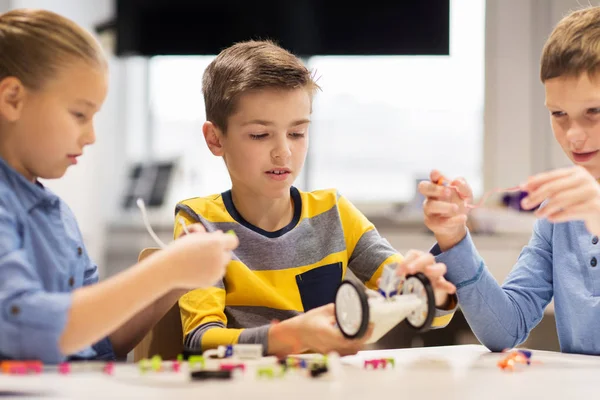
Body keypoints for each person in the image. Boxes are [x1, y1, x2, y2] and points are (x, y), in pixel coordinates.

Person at [175, 40, 457, 358]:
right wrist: (290, 336)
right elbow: (200, 340)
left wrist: (429, 293)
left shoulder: (333, 213)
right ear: (215, 139)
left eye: (297, 133)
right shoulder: (198, 222)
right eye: (259, 135)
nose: (284, 152)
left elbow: (428, 313)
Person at [0, 9, 238, 364]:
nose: (91, 136)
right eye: (79, 115)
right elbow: (23, 328)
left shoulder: (58, 216)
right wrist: (164, 269)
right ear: (12, 99)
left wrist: (176, 280)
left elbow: (98, 341)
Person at [419, 6, 600, 354]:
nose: (574, 135)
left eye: (594, 111)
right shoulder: (558, 214)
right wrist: (454, 237)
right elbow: (506, 328)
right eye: (558, 114)